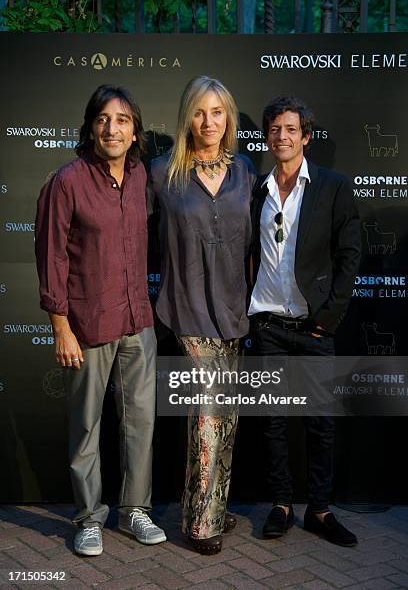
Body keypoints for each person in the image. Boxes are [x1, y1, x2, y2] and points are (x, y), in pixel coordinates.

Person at [35, 84, 166, 556]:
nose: (113, 128)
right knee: (87, 426)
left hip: (138, 320)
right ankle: (89, 518)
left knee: (139, 424)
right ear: (91, 127)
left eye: (123, 120)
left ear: (135, 132)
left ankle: (135, 511)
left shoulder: (142, 178)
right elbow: (50, 258)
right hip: (87, 322)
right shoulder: (67, 181)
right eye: (104, 119)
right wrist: (61, 326)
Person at [248, 95, 361, 546]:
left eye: (291, 129)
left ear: (306, 137)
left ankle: (318, 509)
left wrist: (328, 318)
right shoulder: (257, 188)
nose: (282, 136)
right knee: (273, 420)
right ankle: (280, 504)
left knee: (321, 423)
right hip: (268, 325)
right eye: (275, 129)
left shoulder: (332, 186)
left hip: (314, 328)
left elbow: (350, 255)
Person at [150, 76, 256, 555]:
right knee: (206, 419)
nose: (208, 122)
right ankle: (201, 524)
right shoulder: (161, 174)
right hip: (189, 310)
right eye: (199, 112)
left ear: (228, 118)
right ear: (186, 118)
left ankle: (210, 503)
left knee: (225, 418)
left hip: (234, 311)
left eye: (217, 112)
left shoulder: (245, 172)